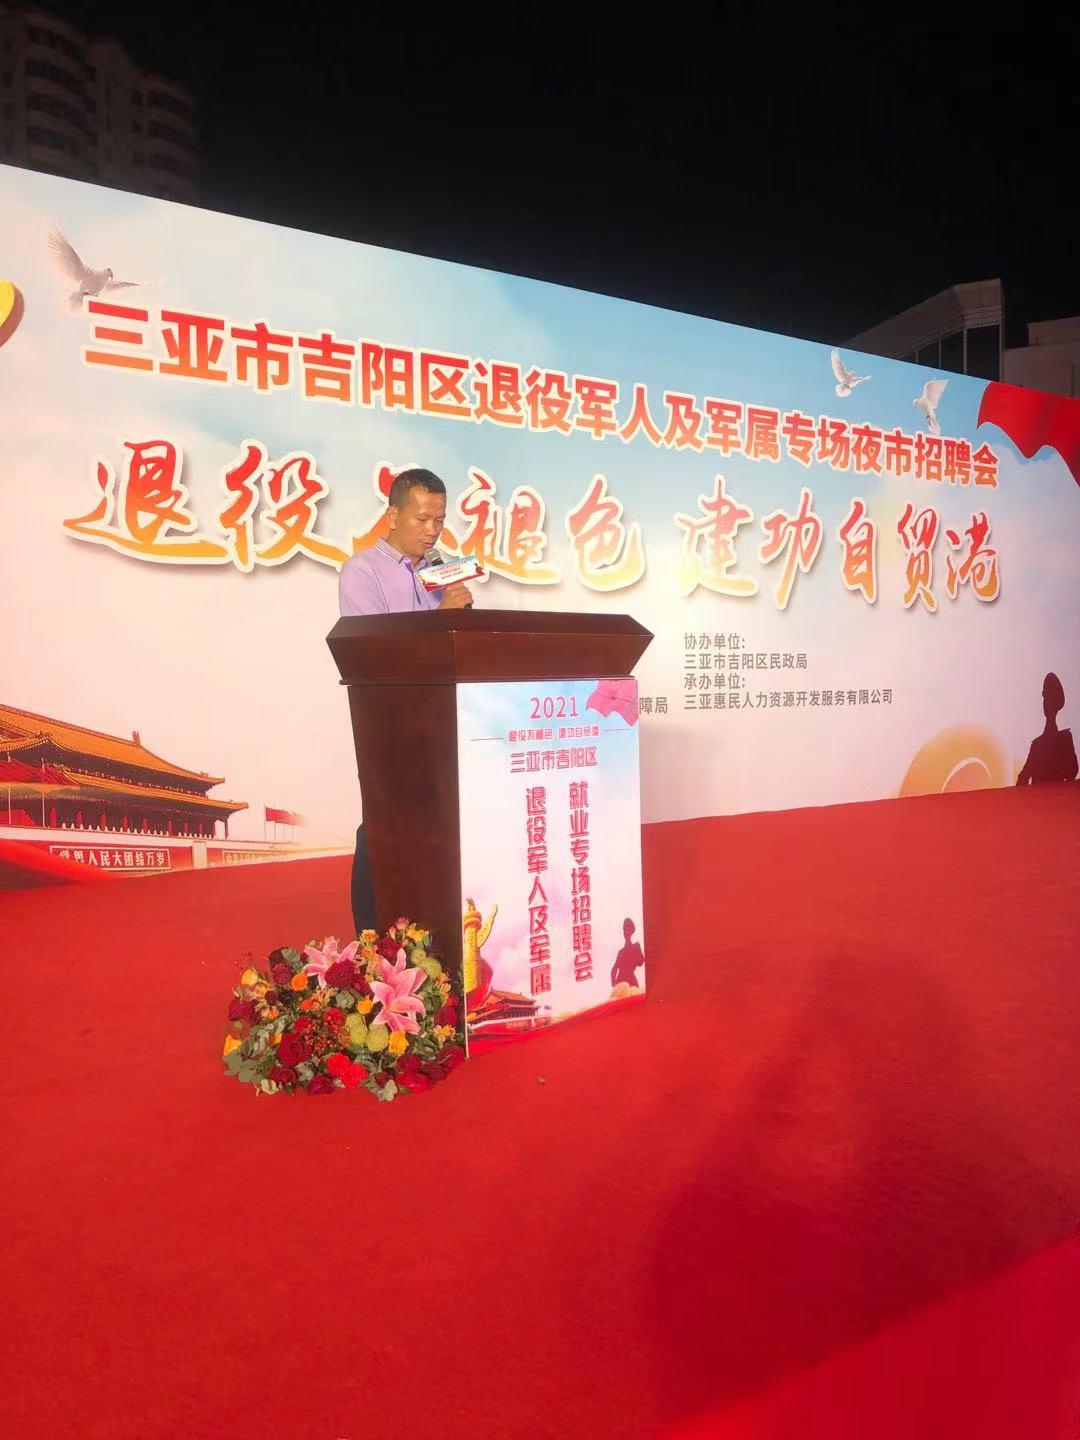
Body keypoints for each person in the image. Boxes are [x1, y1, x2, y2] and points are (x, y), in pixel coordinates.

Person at [338, 468, 473, 932]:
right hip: (388, 722)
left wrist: (462, 616)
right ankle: (371, 938)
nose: (433, 530)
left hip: (446, 718)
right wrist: (440, 617)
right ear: (393, 516)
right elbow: (374, 652)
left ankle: (432, 928)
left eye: (440, 519)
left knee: (441, 829)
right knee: (383, 827)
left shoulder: (441, 566)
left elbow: (462, 639)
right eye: (422, 519)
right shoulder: (362, 571)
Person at [1016, 672, 1078, 785]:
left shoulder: (1065, 739)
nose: (1046, 703)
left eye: (1049, 699)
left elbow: (1071, 773)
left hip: (1057, 794)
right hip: (1038, 796)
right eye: (1045, 699)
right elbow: (1023, 777)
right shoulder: (1037, 745)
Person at [611, 917, 644, 990]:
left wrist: (637, 949)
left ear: (631, 931)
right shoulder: (621, 952)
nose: (625, 932)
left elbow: (640, 962)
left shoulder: (635, 947)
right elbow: (614, 968)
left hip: (631, 983)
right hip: (620, 984)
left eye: (627, 930)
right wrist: (614, 982)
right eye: (624, 930)